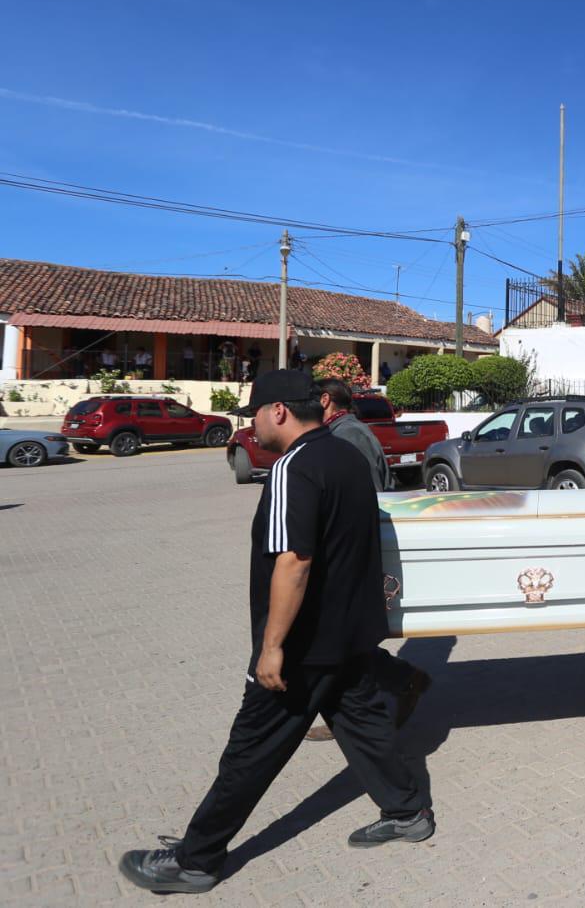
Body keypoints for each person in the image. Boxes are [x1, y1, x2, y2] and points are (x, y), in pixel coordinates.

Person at [118, 370, 432, 894]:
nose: (252, 427)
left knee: (251, 749)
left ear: (279, 411)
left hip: (304, 646)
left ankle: (195, 861)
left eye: (255, 416)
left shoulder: (293, 466)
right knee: (361, 725)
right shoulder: (347, 454)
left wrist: (272, 648)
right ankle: (407, 813)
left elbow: (295, 561)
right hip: (348, 634)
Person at [303, 378, 431, 744]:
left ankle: (392, 689)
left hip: (353, 549)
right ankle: (402, 682)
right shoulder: (345, 431)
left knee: (338, 638)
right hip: (348, 547)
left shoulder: (349, 435)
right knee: (343, 640)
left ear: (325, 401)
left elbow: (361, 495)